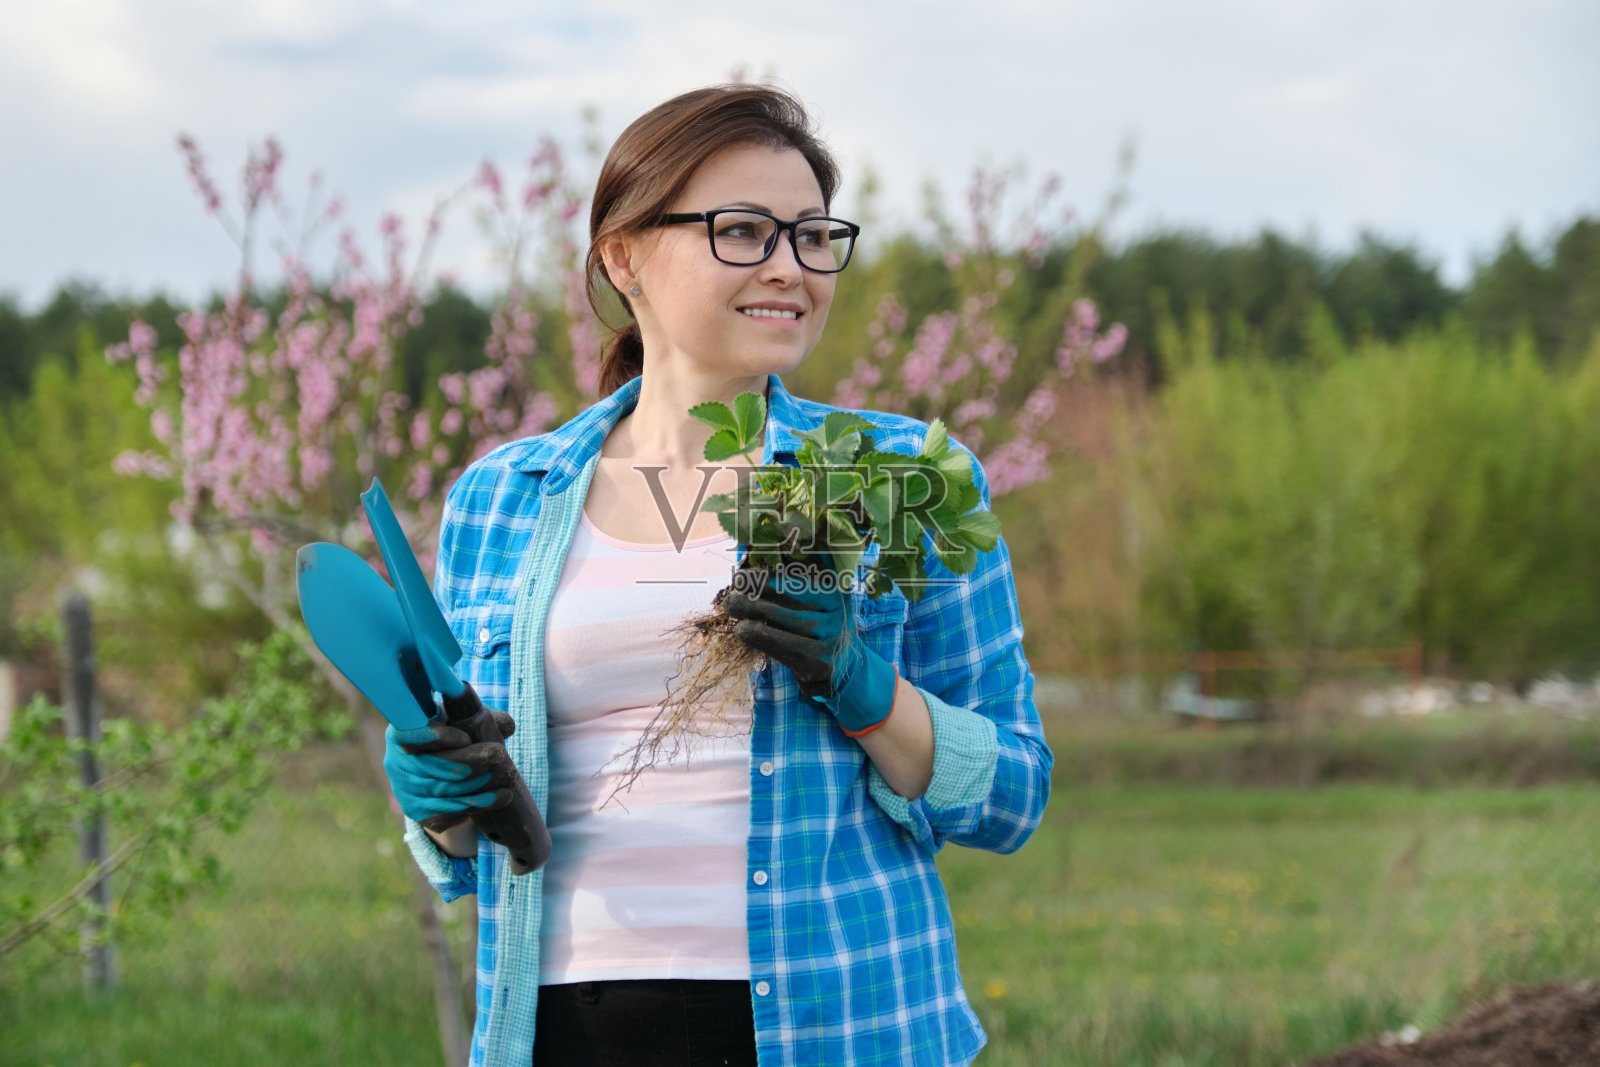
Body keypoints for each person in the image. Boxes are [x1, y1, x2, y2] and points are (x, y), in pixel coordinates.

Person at [381, 83, 1052, 1067]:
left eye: (813, 236)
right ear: (622, 255)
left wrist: (862, 685)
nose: (790, 267)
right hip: (561, 1029)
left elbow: (1011, 794)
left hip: (844, 1028)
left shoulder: (898, 477)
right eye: (741, 230)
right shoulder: (501, 495)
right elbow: (470, 840)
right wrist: (434, 802)